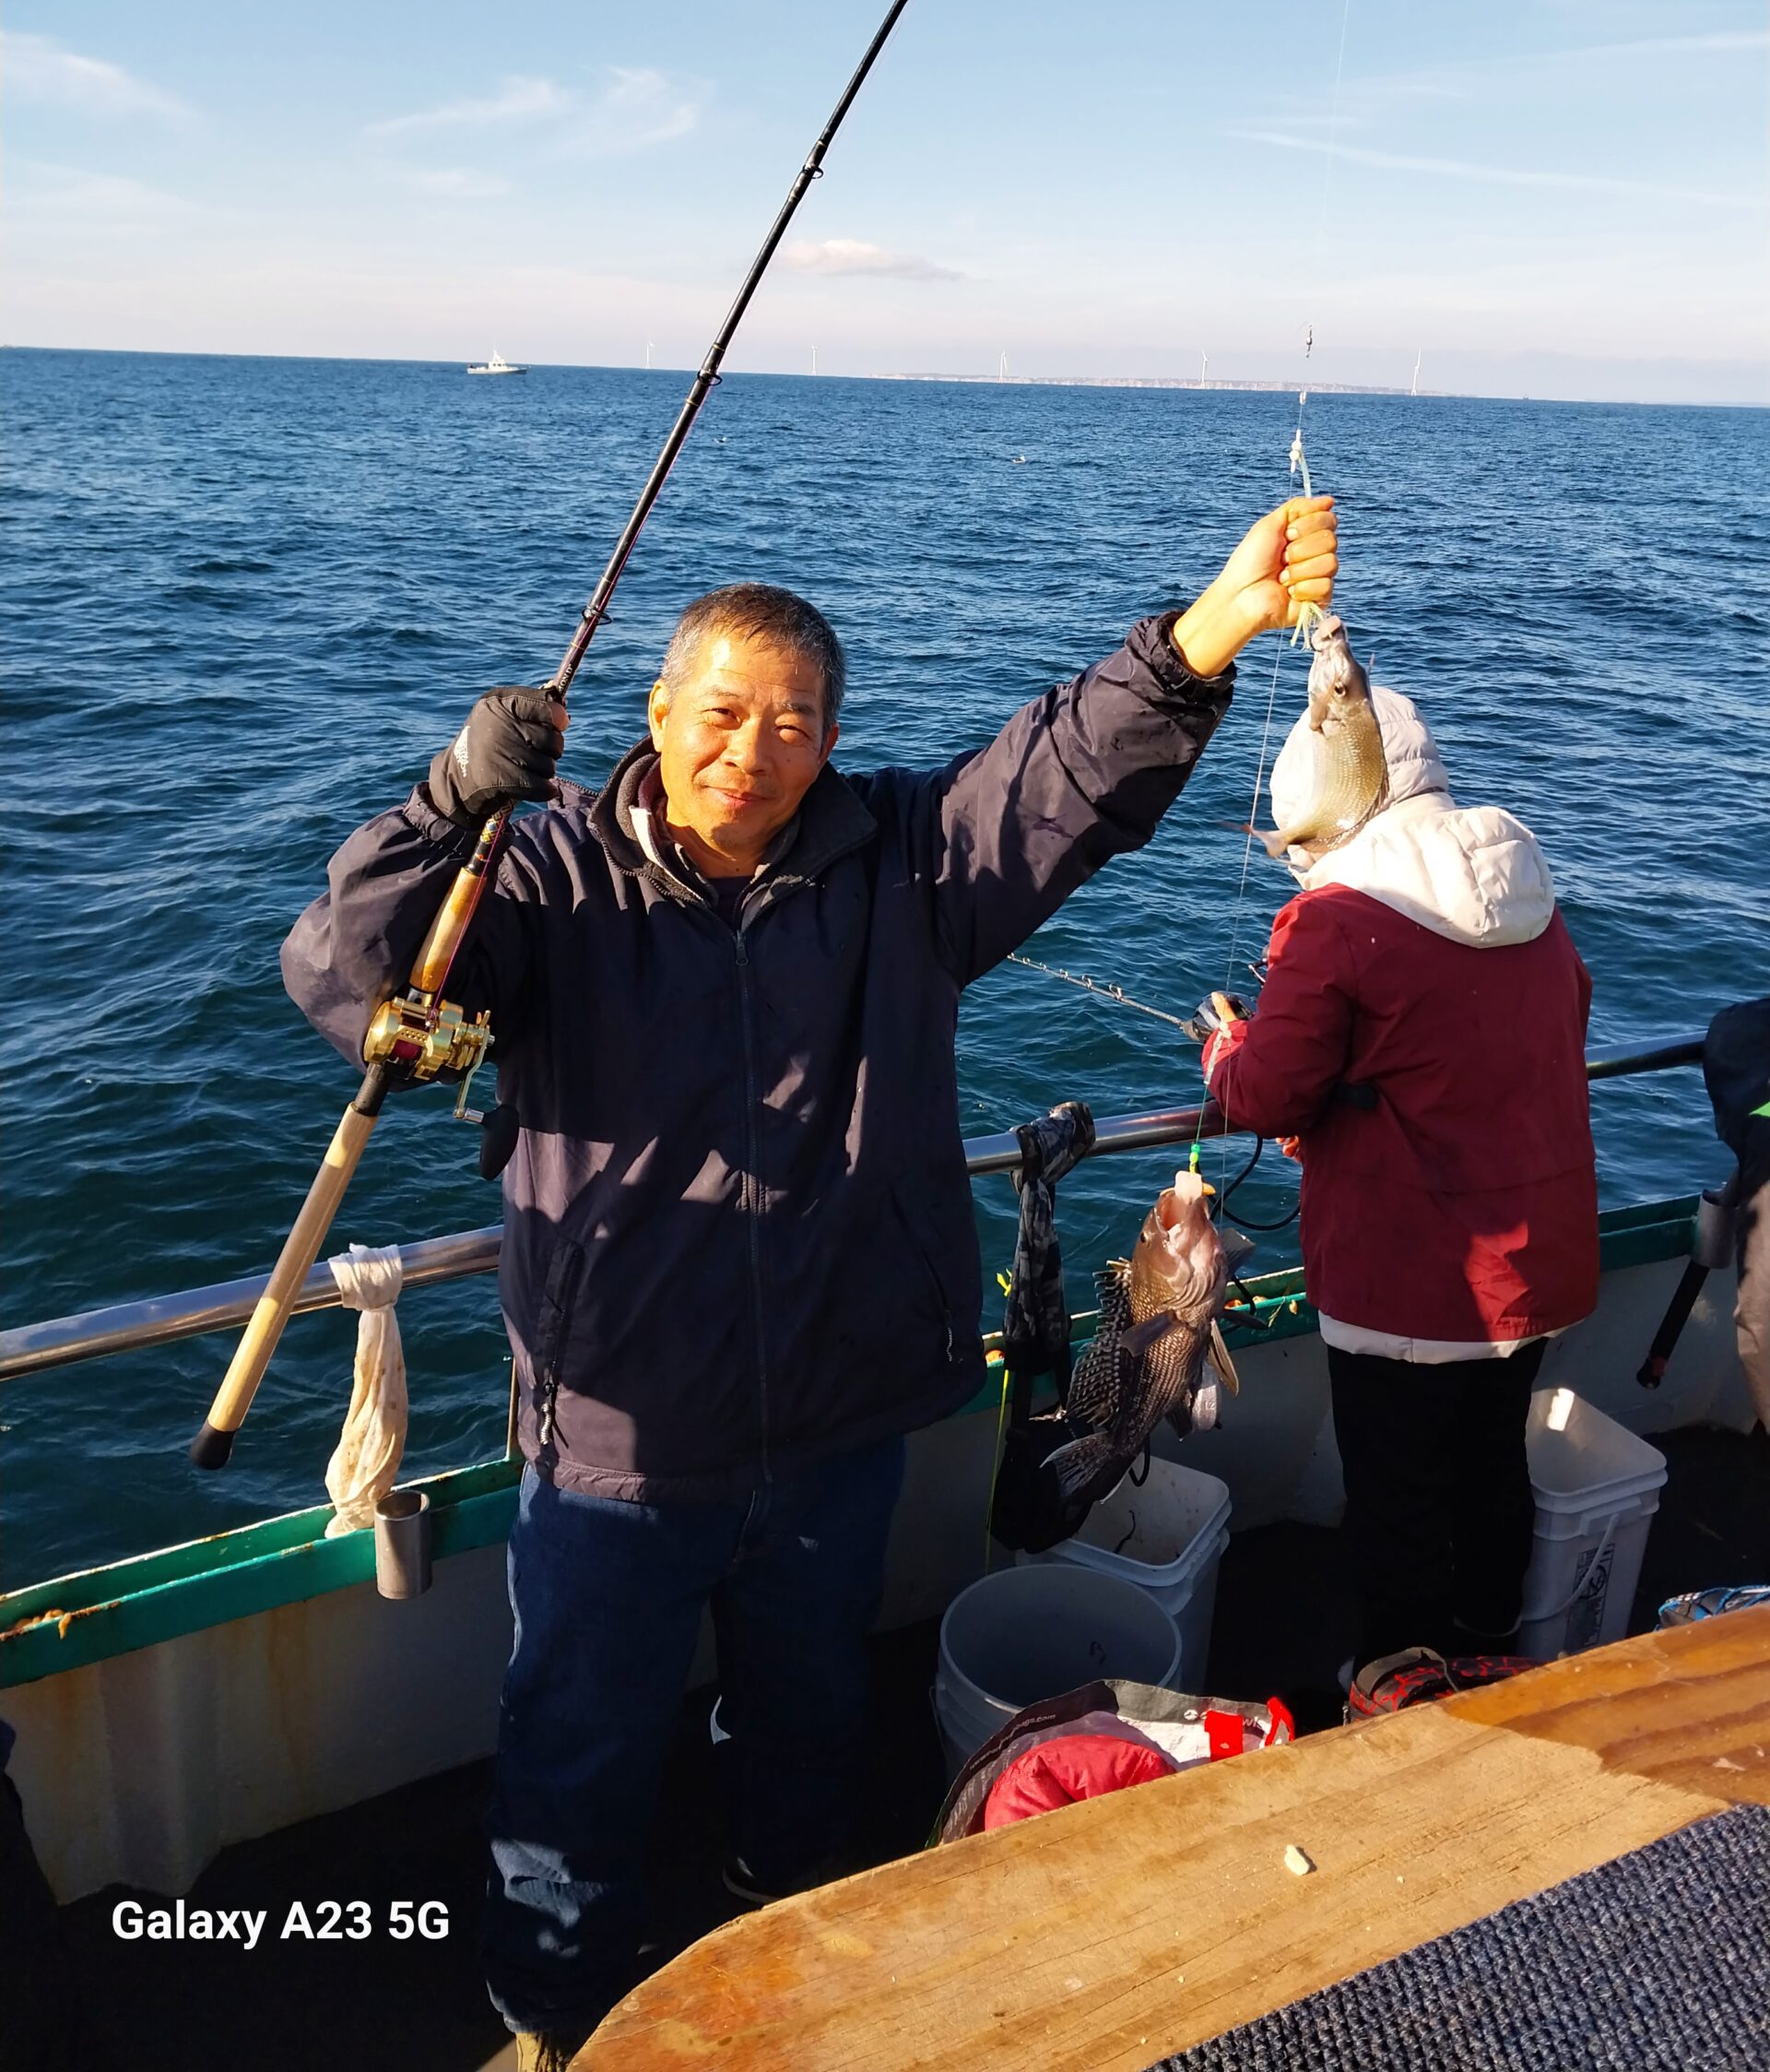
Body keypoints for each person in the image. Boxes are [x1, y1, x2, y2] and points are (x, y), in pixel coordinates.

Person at [281, 496, 1336, 2065]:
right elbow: (349, 979)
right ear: (654, 714)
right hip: (620, 1435)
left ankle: (796, 1909)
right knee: (575, 1744)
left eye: (792, 723)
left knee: (813, 1713)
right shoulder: (545, 876)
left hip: (841, 1412)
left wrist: (1219, 620)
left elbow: (1060, 777)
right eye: (720, 713)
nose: (751, 752)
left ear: (834, 736)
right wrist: (446, 805)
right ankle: (553, 2010)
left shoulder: (905, 862)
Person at [1199, 683, 1598, 1681]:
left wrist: (1223, 1047)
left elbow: (1265, 1091)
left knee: (1399, 1495)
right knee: (1491, 1468)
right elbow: (1486, 1055)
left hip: (1409, 1279)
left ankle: (1401, 1686)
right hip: (1537, 1262)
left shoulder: (1335, 918)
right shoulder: (1527, 890)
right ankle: (1494, 1653)